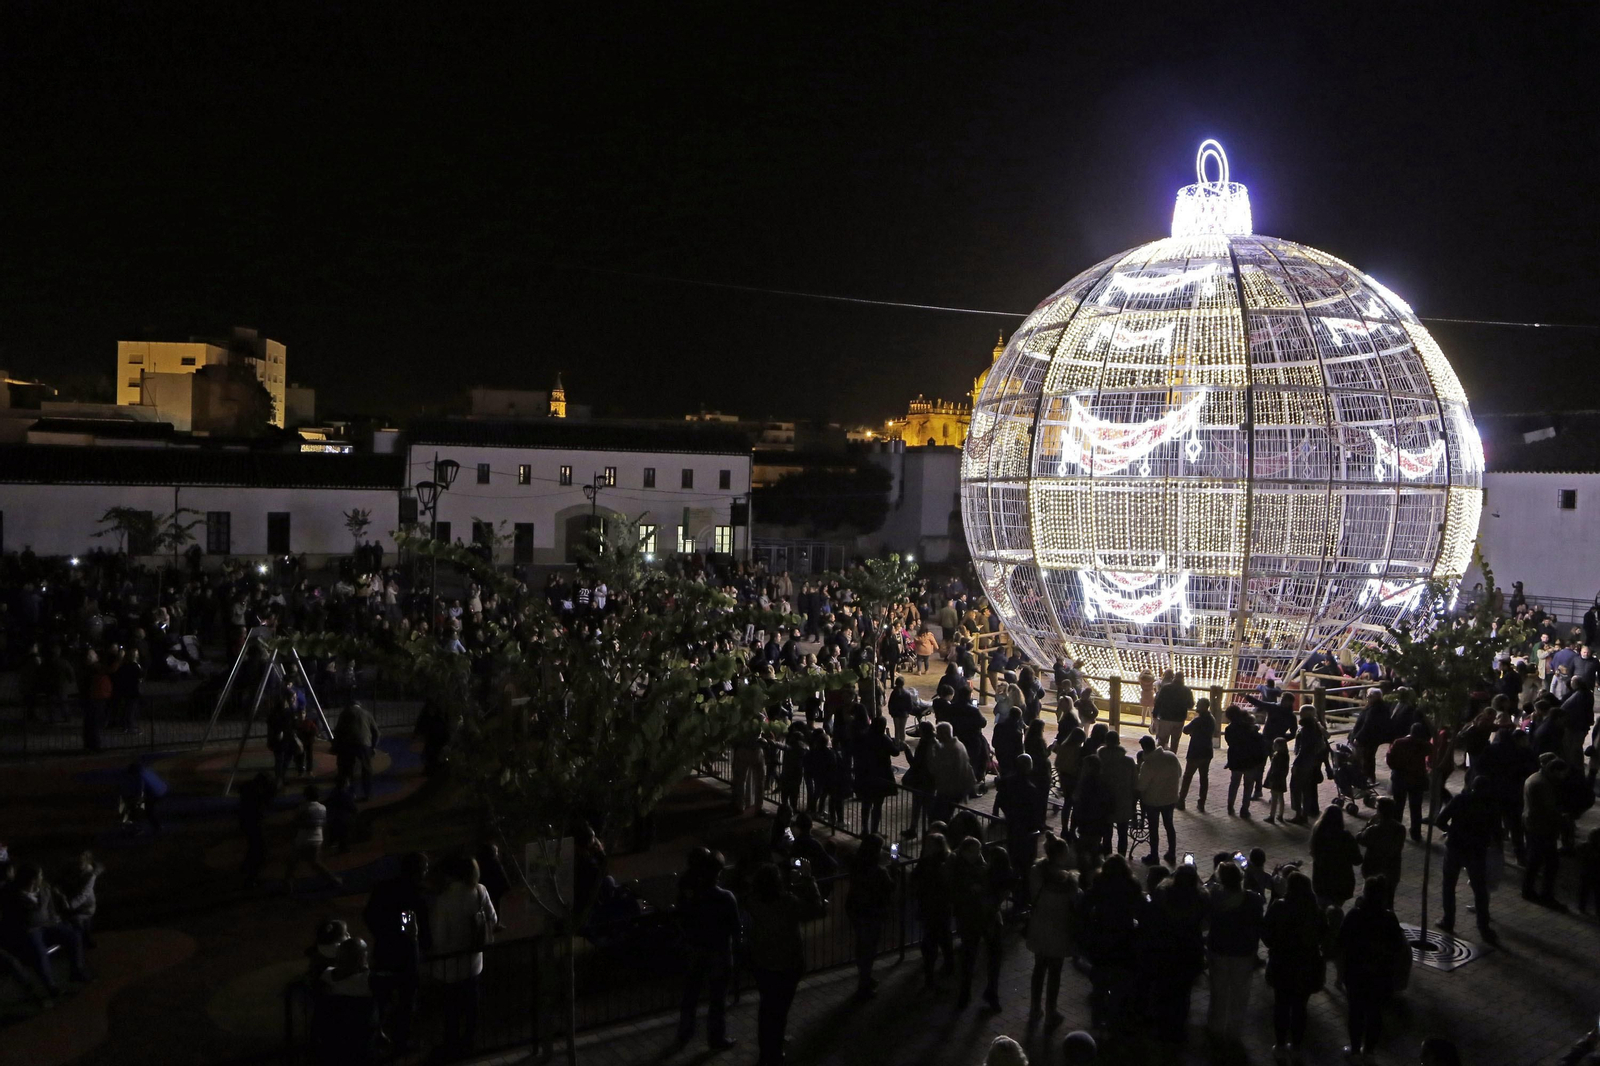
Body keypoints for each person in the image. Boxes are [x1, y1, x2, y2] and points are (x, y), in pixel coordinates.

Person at [746, 861, 825, 1066]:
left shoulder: (754, 901)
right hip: (787, 964)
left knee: (767, 1007)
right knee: (780, 1009)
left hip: (762, 962)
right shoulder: (787, 903)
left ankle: (767, 1049)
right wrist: (808, 879)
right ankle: (773, 1052)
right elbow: (815, 909)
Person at [430, 856, 497, 1056]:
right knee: (471, 1007)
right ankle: (469, 1042)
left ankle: (451, 1044)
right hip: (474, 961)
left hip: (449, 965)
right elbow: (493, 919)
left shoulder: (444, 899)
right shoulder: (480, 891)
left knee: (451, 1009)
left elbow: (439, 937)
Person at [363, 852, 430, 1053]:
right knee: (406, 1000)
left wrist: (382, 934)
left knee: (381, 998)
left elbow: (368, 915)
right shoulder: (416, 895)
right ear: (418, 871)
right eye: (424, 869)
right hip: (406, 956)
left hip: (384, 951)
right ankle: (401, 1040)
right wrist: (420, 943)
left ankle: (375, 1036)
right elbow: (420, 929)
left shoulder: (383, 888)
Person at [674, 848, 740, 1051]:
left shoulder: (692, 896)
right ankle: (716, 1038)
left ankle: (685, 1031)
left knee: (691, 994)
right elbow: (735, 928)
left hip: (696, 949)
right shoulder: (726, 898)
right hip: (719, 952)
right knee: (717, 998)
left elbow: (682, 917)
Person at [1338, 876, 1407, 1062]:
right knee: (1375, 1013)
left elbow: (1341, 941)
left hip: (1357, 973)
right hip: (1380, 975)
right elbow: (1397, 946)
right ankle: (1369, 1051)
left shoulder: (1355, 915)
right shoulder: (1389, 918)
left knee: (1356, 1012)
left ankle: (1354, 1051)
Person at [1262, 870, 1326, 1062]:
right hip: (1307, 965)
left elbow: (1266, 934)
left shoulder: (1279, 906)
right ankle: (1297, 1047)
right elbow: (1323, 936)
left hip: (1282, 963)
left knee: (1281, 1005)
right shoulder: (1315, 911)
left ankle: (1280, 1045)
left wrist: (1275, 945)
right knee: (1300, 1007)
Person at [1433, 777, 1502, 942]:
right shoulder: (1491, 805)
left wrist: (1451, 831)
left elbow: (1440, 821)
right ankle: (1483, 927)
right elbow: (1497, 832)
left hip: (1455, 848)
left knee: (1449, 885)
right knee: (1480, 890)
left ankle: (1448, 921)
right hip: (1477, 851)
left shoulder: (1460, 799)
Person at [1205, 860, 1263, 1046]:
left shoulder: (1214, 897)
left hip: (1219, 950)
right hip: (1243, 952)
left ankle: (1215, 1026)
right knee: (1240, 993)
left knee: (1218, 991)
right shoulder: (1253, 900)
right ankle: (1234, 1031)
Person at [1024, 833, 1078, 1023]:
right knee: (1055, 972)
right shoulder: (1069, 882)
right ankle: (1051, 1010)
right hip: (1059, 929)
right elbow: (1075, 902)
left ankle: (1034, 1008)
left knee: (1039, 969)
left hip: (1039, 925)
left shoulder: (1036, 872)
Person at [951, 837, 1006, 1011]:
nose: (978, 854)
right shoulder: (958, 868)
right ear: (964, 852)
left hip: (988, 916)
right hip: (971, 918)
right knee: (969, 957)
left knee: (994, 955)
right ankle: (965, 993)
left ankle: (991, 992)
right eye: (973, 851)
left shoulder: (981, 865)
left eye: (979, 851)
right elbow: (956, 893)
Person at [845, 833, 895, 1000]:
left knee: (862, 945)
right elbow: (890, 887)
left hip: (856, 909)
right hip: (872, 912)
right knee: (869, 949)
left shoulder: (856, 864)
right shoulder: (878, 871)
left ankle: (865, 977)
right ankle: (864, 983)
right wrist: (893, 867)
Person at [1523, 755, 1570, 908]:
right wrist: (1562, 819)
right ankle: (1546, 895)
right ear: (1555, 770)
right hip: (1542, 827)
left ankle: (1528, 890)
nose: (1563, 776)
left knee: (1534, 860)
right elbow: (1548, 810)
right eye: (1562, 773)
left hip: (1532, 823)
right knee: (1550, 863)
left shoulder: (1535, 778)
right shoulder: (1543, 784)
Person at [911, 832, 956, 987]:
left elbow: (916, 877)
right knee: (944, 936)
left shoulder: (931, 862)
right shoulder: (948, 859)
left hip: (932, 905)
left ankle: (931, 974)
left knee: (931, 940)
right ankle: (948, 965)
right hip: (941, 905)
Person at [284, 784, 343, 893]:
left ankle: (288, 884)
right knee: (315, 862)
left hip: (303, 838)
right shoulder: (322, 808)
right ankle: (333, 880)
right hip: (317, 838)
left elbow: (295, 822)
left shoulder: (302, 808)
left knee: (293, 861)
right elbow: (322, 823)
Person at [1136, 735, 1180, 865]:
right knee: (1169, 826)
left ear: (1144, 748)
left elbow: (1141, 786)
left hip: (1153, 801)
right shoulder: (1171, 756)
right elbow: (1179, 773)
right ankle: (1171, 853)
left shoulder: (1148, 764)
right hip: (1170, 799)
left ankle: (1154, 855)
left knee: (1153, 829)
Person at [1356, 797, 1407, 910]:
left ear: (1379, 811)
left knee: (1370, 901)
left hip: (1373, 870)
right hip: (1392, 871)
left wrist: (1368, 824)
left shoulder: (1373, 829)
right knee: (1389, 901)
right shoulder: (1400, 828)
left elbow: (1359, 838)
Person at [1309, 805, 1363, 909]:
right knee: (1335, 909)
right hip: (1341, 882)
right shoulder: (1345, 837)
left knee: (1322, 909)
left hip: (1321, 881)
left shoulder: (1318, 833)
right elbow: (1357, 860)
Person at [1387, 723, 1432, 841]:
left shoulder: (1399, 742)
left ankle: (1396, 832)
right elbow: (1431, 750)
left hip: (1400, 778)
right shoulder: (1423, 745)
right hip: (1417, 779)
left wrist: (1396, 768)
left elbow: (1390, 759)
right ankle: (1416, 833)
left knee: (1398, 806)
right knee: (1416, 808)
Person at [1097, 737, 1138, 856]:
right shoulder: (1128, 761)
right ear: (1118, 743)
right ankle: (1121, 858)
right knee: (1122, 833)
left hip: (1105, 801)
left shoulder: (1100, 759)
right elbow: (1135, 783)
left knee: (1107, 833)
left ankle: (1107, 857)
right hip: (1123, 801)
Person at [333, 701, 380, 801]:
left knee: (348, 769)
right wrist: (372, 747)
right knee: (366, 769)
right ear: (359, 706)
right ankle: (368, 793)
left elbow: (338, 731)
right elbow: (376, 732)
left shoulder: (345, 713)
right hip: (364, 744)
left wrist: (336, 746)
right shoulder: (367, 713)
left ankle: (350, 792)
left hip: (348, 744)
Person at [1224, 706, 1266, 819]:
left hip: (1236, 760)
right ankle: (1244, 809)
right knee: (1248, 786)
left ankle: (1230, 806)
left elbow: (1230, 743)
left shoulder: (1229, 729)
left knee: (1234, 784)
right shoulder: (1250, 728)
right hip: (1250, 761)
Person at [238, 771, 278, 887]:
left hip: (247, 822)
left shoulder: (248, 790)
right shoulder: (258, 795)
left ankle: (246, 867)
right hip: (255, 823)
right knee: (261, 851)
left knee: (253, 845)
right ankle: (251, 879)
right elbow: (268, 803)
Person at [1288, 712, 1328, 824]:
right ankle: (1305, 814)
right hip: (1312, 763)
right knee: (1306, 790)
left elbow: (1302, 750)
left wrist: (1295, 764)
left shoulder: (1304, 731)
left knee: (1296, 789)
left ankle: (1298, 814)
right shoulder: (1316, 730)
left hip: (1302, 764)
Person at [1177, 697, 1216, 812]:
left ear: (1203, 706)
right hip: (1207, 751)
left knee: (1187, 777)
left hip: (1195, 752)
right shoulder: (1211, 719)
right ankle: (1201, 802)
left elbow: (1185, 730)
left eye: (1199, 705)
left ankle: (1181, 800)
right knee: (1204, 778)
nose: (1196, 707)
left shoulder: (1198, 720)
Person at [1152, 672, 1193, 751]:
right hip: (1179, 718)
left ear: (1174, 677)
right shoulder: (1186, 690)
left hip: (1165, 717)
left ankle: (1160, 755)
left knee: (1162, 740)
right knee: (1175, 741)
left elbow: (1158, 702)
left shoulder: (1165, 688)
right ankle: (1172, 756)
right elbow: (1190, 705)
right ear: (1183, 679)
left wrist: (1155, 715)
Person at [1263, 736, 1290, 823]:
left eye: (1275, 745)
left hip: (1275, 779)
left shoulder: (1277, 756)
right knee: (1280, 797)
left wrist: (1271, 778)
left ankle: (1272, 816)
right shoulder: (1285, 755)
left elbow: (1274, 769)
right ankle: (1280, 815)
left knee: (1274, 798)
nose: (1273, 746)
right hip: (1281, 779)